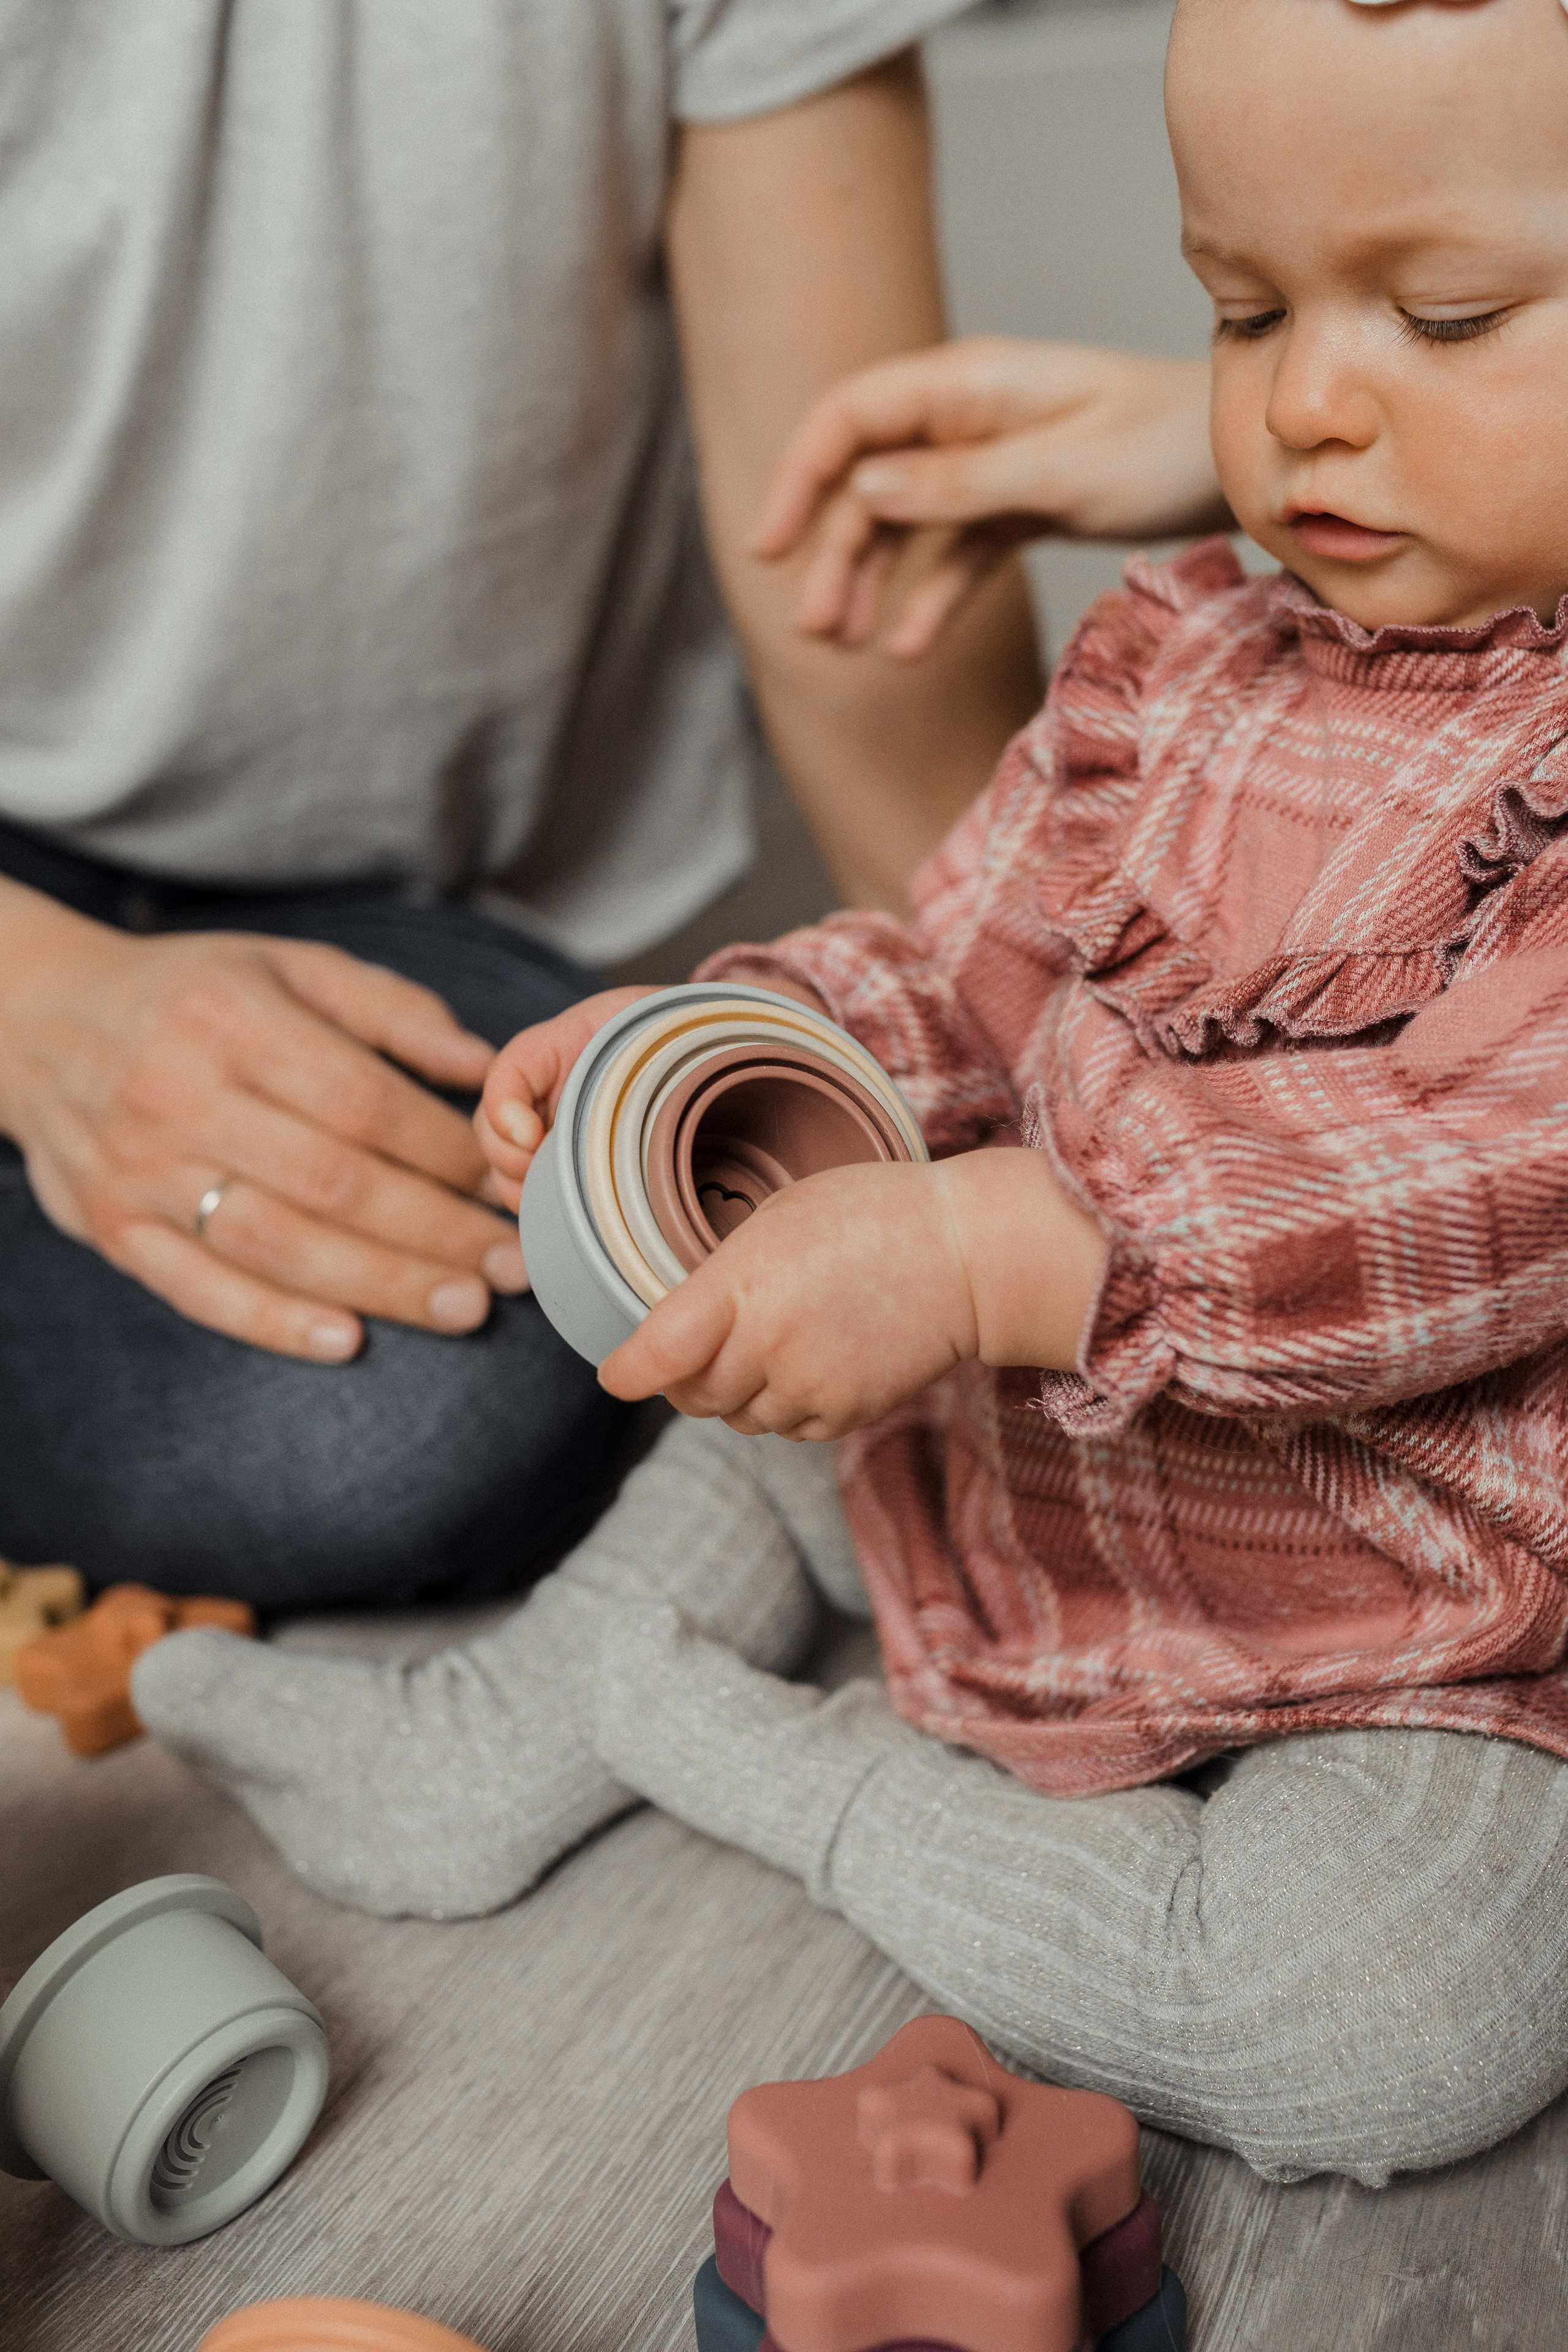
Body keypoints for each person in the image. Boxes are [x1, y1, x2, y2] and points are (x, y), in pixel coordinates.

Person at [132, 0, 1568, 2187]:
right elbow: (965, 969)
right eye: (1242, 307)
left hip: (1431, 1614)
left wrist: (991, 1251)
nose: (1303, 404)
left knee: (1383, 2027)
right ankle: (507, 1711)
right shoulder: (1188, 656)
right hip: (1061, 1472)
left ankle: (727, 1748)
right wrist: (725, 1063)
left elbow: (1467, 1185)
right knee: (778, 1383)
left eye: (1442, 316)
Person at [0, 9, 1063, 1611]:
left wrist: (1047, 1115)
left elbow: (851, 559)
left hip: (381, 907)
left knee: (485, 1356)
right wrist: (42, 1007)